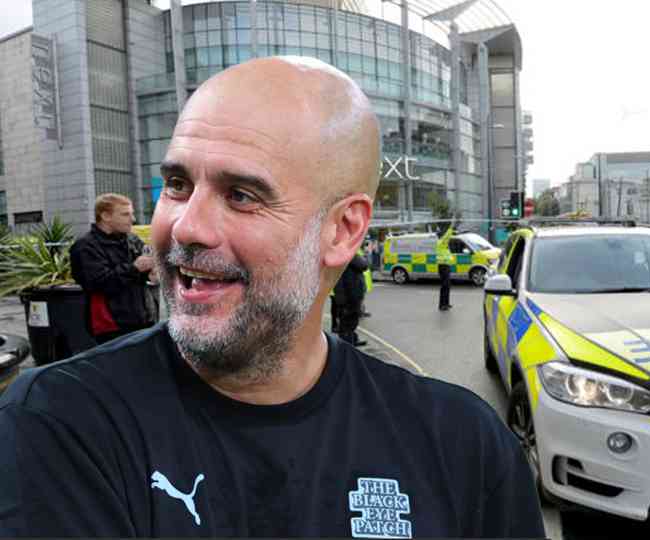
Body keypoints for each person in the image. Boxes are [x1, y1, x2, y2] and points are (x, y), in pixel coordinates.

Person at [0, 57, 544, 537]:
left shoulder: (463, 448)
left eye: (241, 195)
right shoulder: (60, 426)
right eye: (178, 185)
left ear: (342, 231)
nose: (186, 227)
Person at [69, 193, 158, 345]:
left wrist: (151, 273)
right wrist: (135, 268)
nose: (133, 219)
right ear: (105, 216)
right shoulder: (85, 246)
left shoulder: (132, 240)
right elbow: (98, 283)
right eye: (125, 214)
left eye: (132, 214)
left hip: (142, 319)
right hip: (110, 326)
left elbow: (140, 276)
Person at [333, 251, 368, 346]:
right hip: (350, 296)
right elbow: (364, 265)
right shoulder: (348, 254)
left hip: (349, 294)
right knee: (348, 323)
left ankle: (352, 341)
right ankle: (347, 346)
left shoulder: (341, 256)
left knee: (350, 322)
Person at [437, 224, 455, 311]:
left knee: (447, 286)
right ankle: (442, 305)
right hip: (443, 267)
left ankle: (446, 303)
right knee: (444, 286)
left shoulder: (444, 246)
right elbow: (447, 236)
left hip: (446, 266)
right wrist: (451, 226)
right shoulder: (441, 243)